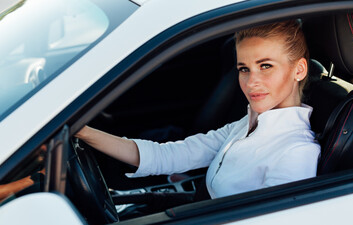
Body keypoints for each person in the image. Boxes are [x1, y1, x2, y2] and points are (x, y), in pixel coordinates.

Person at [76, 20, 321, 199]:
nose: (250, 82)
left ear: (299, 70)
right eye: (244, 69)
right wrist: (83, 132)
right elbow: (168, 156)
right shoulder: (244, 127)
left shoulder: (296, 153)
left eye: (265, 66)